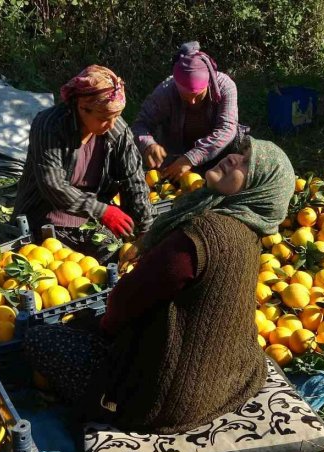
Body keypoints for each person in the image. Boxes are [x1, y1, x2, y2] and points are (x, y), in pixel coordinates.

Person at [23, 137, 296, 434]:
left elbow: (122, 304)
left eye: (247, 165)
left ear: (260, 190)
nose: (233, 159)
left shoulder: (206, 234)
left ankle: (107, 407)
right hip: (221, 381)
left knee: (40, 339)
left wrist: (97, 328)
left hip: (166, 400)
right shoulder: (248, 233)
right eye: (239, 154)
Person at [13, 65, 153, 257]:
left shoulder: (115, 130)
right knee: (96, 258)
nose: (111, 124)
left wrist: (145, 228)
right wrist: (102, 211)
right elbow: (52, 185)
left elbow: (133, 177)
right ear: (82, 108)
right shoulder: (49, 126)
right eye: (104, 118)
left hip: (90, 215)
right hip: (49, 214)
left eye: (116, 116)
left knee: (123, 253)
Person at [132, 41, 245, 183]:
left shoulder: (225, 87)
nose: (192, 102)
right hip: (176, 154)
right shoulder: (166, 91)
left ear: (208, 83)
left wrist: (191, 158)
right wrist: (148, 144)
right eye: (185, 97)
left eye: (198, 96)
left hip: (218, 155)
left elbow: (227, 128)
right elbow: (140, 124)